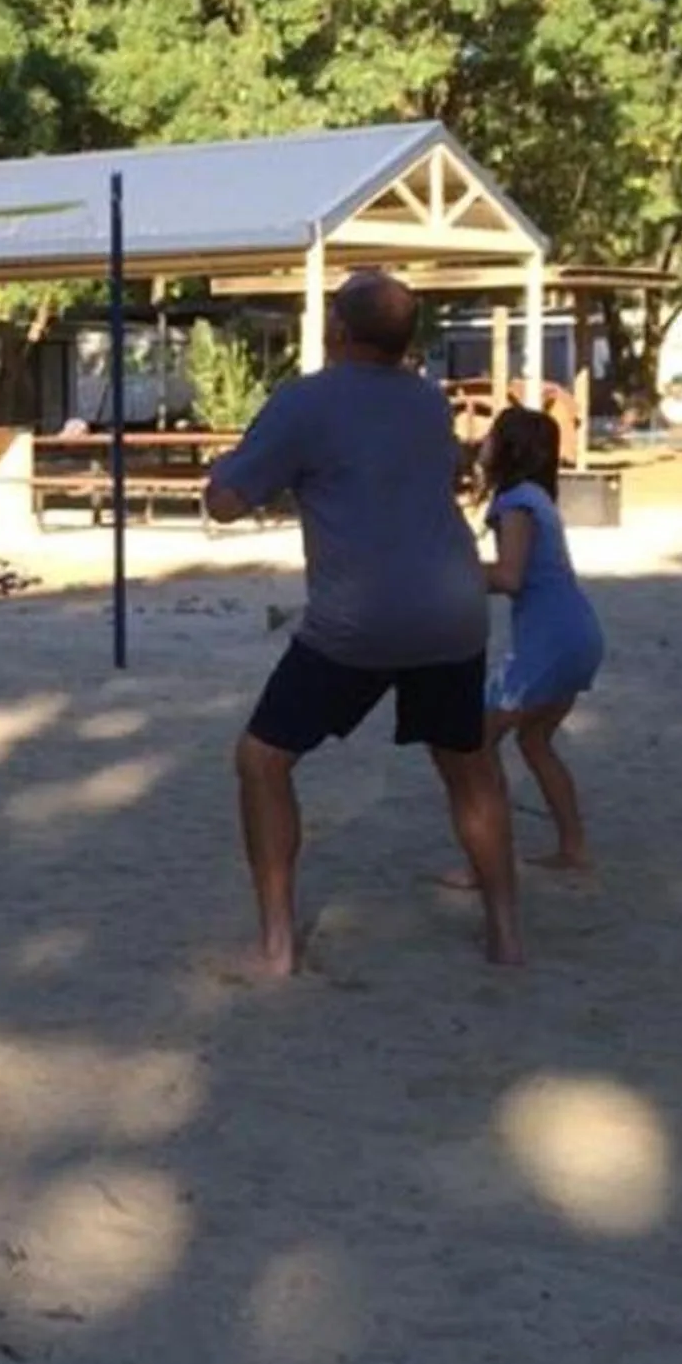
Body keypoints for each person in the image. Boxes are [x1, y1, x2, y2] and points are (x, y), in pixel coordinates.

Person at [203, 269, 524, 974]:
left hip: (361, 618)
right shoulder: (425, 401)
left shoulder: (305, 401)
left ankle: (278, 946)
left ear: (338, 330)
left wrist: (220, 470)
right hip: (452, 606)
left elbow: (227, 502)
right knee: (470, 771)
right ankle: (505, 935)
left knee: (261, 762)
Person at [460, 402, 605, 875]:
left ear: (510, 449)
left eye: (491, 436)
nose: (481, 442)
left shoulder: (514, 502)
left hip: (550, 640)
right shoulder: (538, 498)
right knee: (535, 741)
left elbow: (509, 577)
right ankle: (574, 847)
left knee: (476, 744)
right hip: (577, 634)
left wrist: (446, 574)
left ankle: (489, 866)